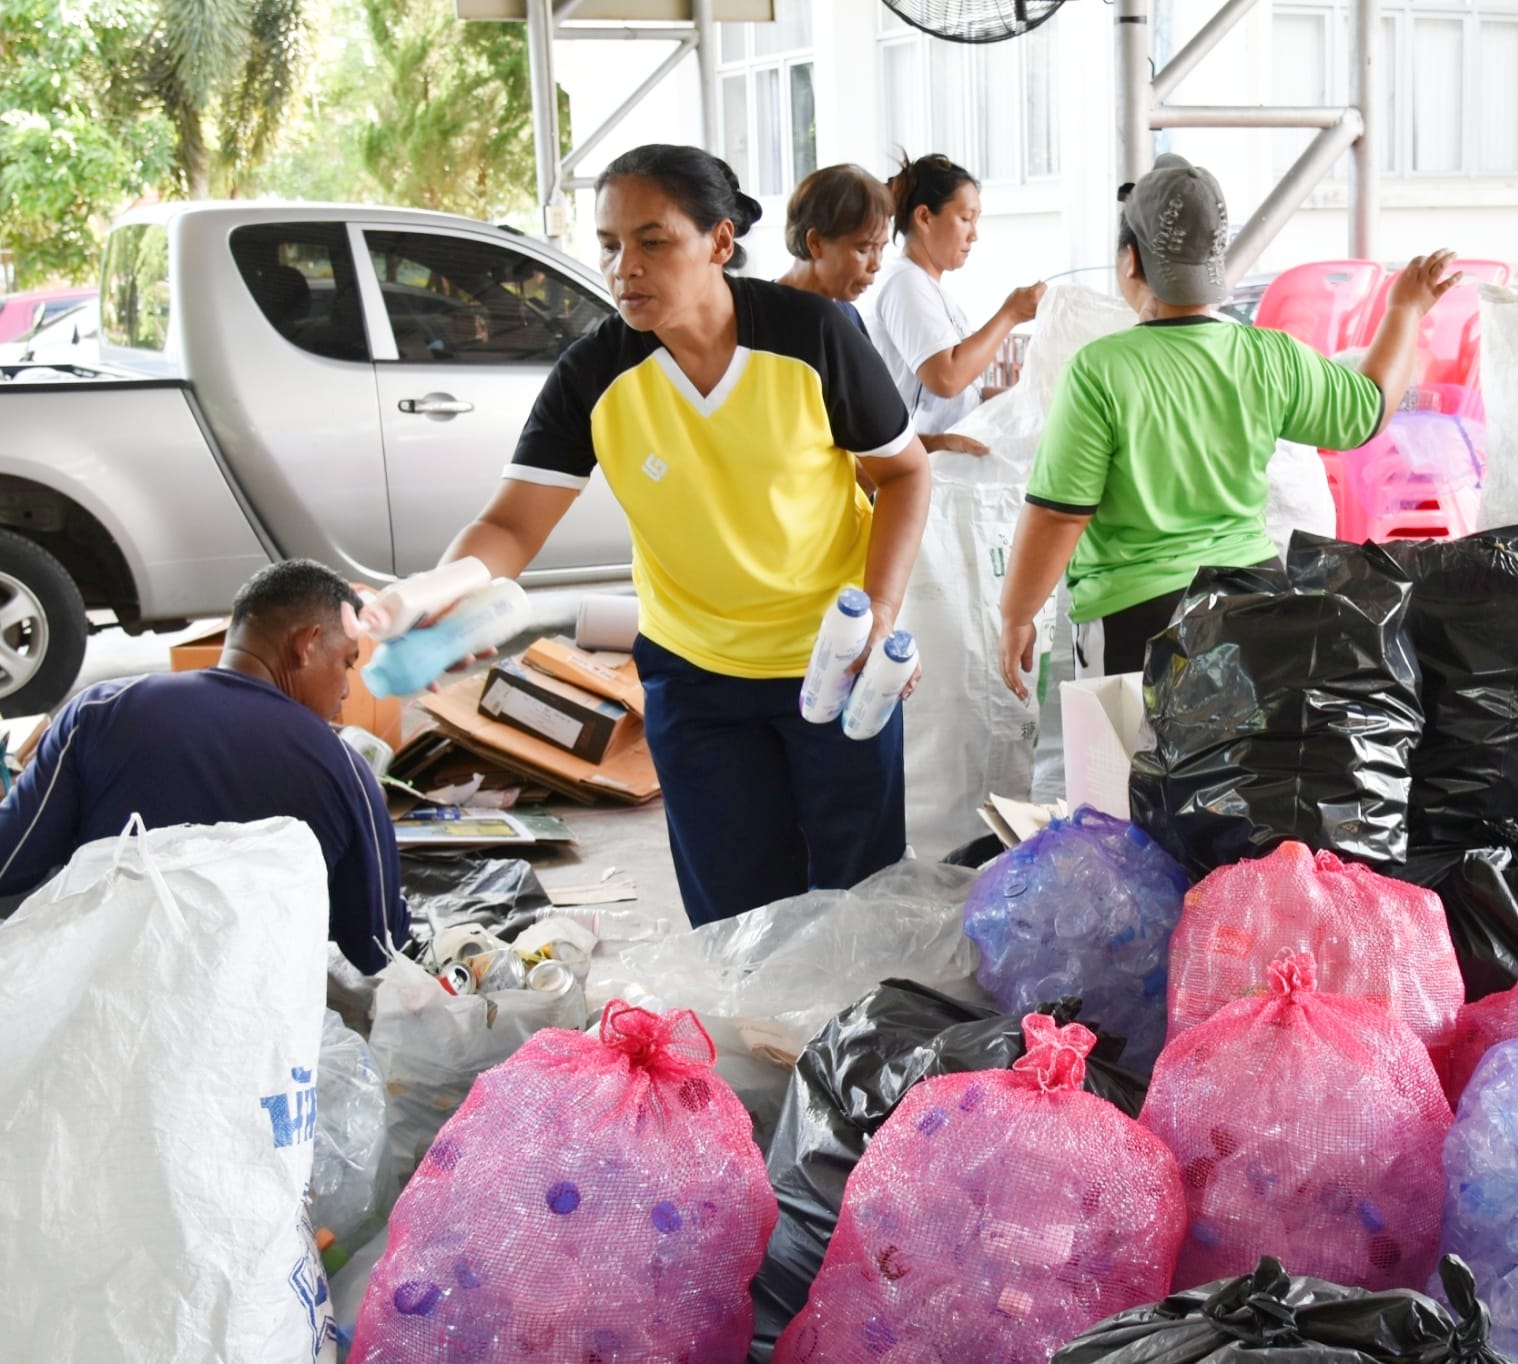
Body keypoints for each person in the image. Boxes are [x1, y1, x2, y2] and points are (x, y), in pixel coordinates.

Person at [433, 144, 931, 927]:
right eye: (609, 244)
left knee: (857, 907)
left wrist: (882, 611)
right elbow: (508, 525)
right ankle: (773, 1042)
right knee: (737, 920)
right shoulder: (594, 375)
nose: (624, 266)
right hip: (696, 680)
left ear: (720, 243)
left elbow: (905, 473)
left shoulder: (813, 335)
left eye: (652, 241)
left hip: (833, 665)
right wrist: (444, 596)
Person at [995, 155, 1461, 693]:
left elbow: (1058, 515)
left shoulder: (1100, 370)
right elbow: (1369, 408)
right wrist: (1404, 309)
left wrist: (1017, 615)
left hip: (1137, 621)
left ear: (1130, 260)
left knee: (1128, 775)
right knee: (1238, 775)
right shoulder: (1269, 356)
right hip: (1256, 606)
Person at [0, 559, 404, 970]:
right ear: (307, 643)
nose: (346, 689)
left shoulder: (98, 711)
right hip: (259, 1029)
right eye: (347, 662)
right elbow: (380, 951)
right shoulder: (345, 770)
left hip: (93, 1012)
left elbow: (10, 862)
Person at [780, 163, 984, 457]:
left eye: (880, 248)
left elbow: (867, 438)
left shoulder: (847, 319)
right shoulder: (767, 319)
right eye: (863, 249)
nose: (876, 264)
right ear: (815, 242)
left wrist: (937, 443)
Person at [867, 153, 1045, 447]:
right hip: (922, 468)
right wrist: (1010, 314)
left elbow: (964, 394)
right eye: (965, 218)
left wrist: (1033, 398)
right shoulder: (904, 282)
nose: (973, 235)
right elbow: (946, 378)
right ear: (924, 217)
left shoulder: (928, 288)